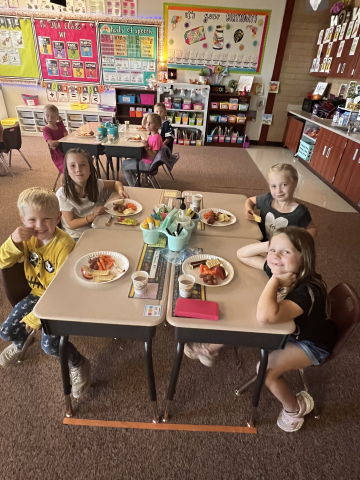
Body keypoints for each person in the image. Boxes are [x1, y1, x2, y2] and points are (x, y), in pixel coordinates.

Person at [237, 226, 337, 432]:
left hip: (311, 344)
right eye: (273, 251)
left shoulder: (307, 290)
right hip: (292, 332)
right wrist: (272, 245)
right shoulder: (283, 268)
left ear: (304, 257)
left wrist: (274, 280)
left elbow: (265, 317)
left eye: (286, 251)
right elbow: (242, 254)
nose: (275, 256)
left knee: (265, 371)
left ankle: (294, 407)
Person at [0, 187, 91, 398]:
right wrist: (13, 241)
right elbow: (3, 261)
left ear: (58, 217)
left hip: (59, 299)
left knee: (50, 346)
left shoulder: (64, 244)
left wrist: (35, 318)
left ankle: (78, 362)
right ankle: (22, 342)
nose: (39, 226)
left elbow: (60, 290)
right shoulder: (25, 238)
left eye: (47, 219)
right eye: (32, 220)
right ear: (22, 219)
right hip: (36, 294)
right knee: (6, 332)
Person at [57, 148, 129, 240]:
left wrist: (120, 191)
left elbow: (115, 183)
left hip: (94, 226)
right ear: (67, 171)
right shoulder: (63, 194)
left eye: (83, 165)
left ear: (90, 169)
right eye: (73, 166)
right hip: (75, 236)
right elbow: (72, 224)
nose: (78, 169)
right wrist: (92, 216)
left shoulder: (95, 184)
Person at [244, 164, 318, 242]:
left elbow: (313, 228)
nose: (278, 191)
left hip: (281, 250)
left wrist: (302, 242)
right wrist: (248, 209)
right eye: (274, 186)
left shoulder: (300, 212)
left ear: (294, 184)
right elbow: (250, 200)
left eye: (284, 185)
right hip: (259, 242)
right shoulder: (267, 199)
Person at [122, 113, 163, 187]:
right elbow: (144, 125)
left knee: (124, 166)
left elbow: (154, 156)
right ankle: (136, 183)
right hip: (146, 160)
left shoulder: (156, 139)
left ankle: (133, 186)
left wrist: (146, 147)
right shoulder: (152, 135)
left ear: (157, 126)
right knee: (125, 162)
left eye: (151, 123)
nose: (148, 125)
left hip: (148, 164)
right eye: (147, 122)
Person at [42, 104, 68, 174]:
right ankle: (65, 184)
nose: (50, 118)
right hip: (57, 153)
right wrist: (63, 141)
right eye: (47, 116)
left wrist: (62, 141)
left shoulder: (60, 124)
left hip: (66, 148)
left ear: (57, 117)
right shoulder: (46, 129)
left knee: (82, 159)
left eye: (52, 116)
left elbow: (66, 136)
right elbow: (52, 144)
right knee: (67, 169)